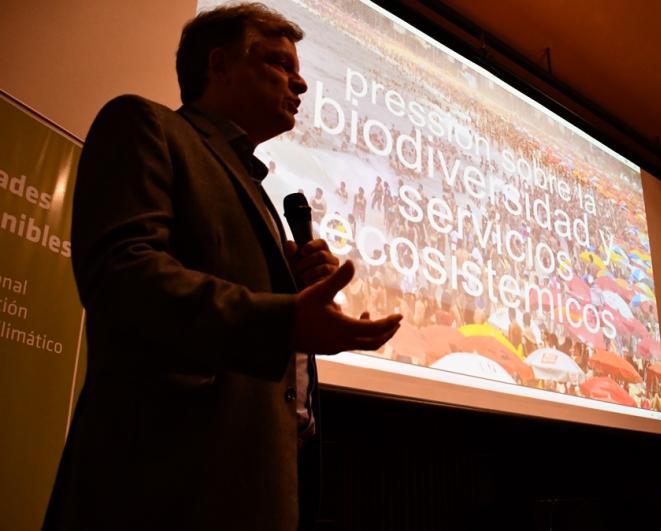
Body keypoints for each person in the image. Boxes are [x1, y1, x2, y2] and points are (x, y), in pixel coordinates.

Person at [41, 4, 401, 531]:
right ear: (219, 66)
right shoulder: (146, 126)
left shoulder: (256, 188)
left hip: (252, 484)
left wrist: (296, 287)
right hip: (164, 489)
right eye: (280, 64)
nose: (300, 83)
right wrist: (283, 319)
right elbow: (122, 274)